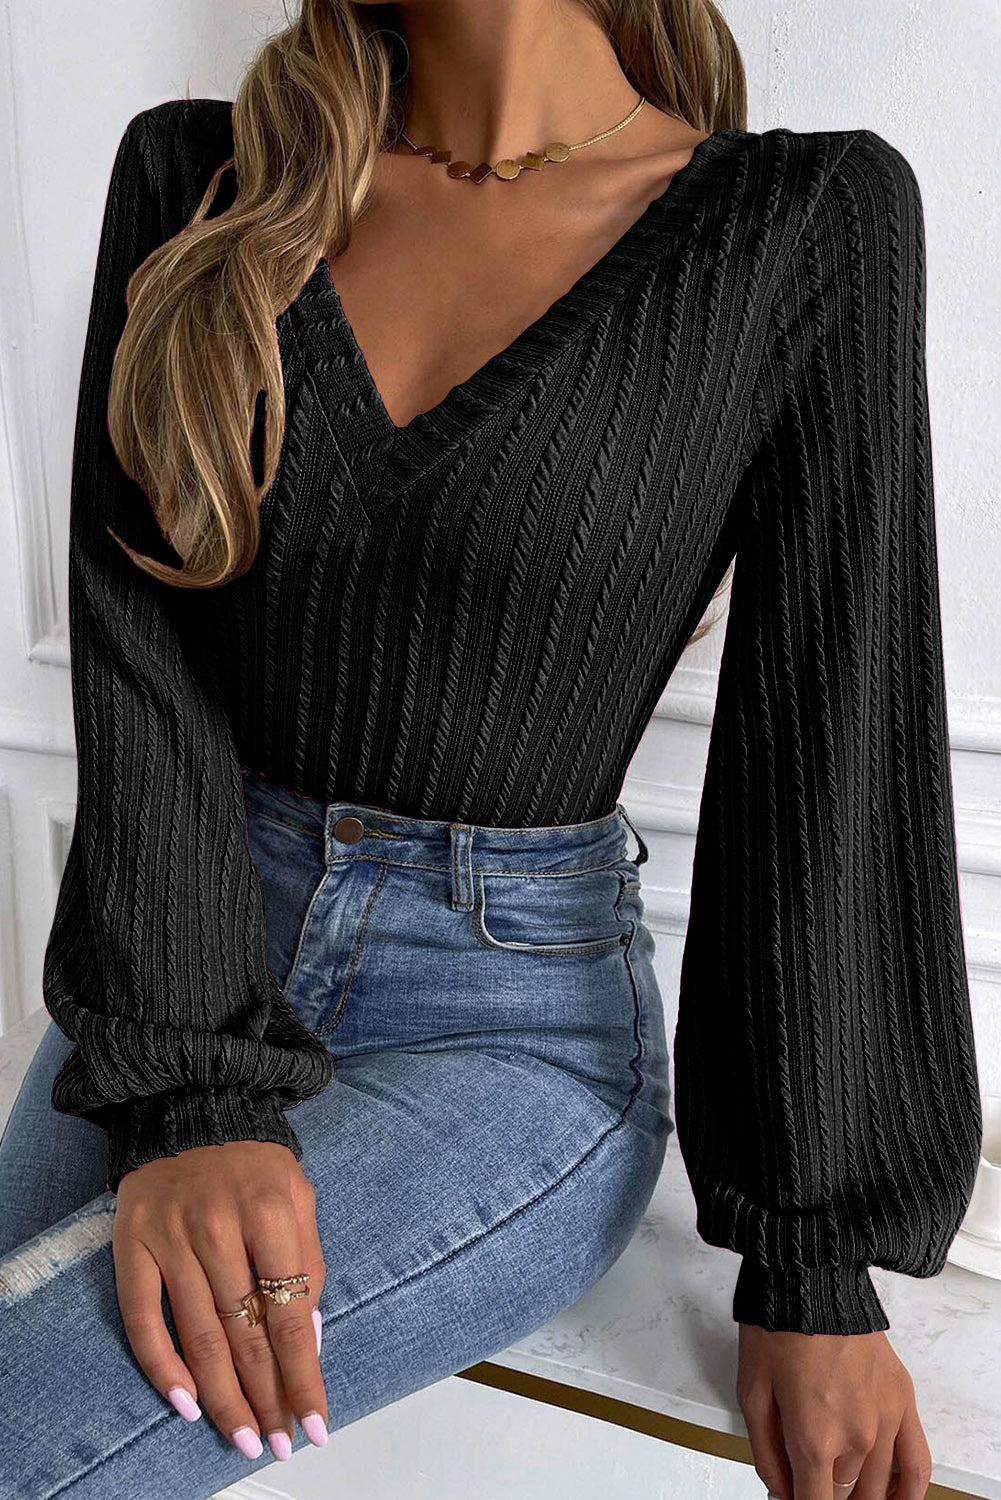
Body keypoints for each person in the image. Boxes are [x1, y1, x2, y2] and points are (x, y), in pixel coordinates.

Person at [0, 1, 982, 1497]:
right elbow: (141, 657)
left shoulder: (800, 221)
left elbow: (830, 732)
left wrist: (810, 1271)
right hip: (178, 969)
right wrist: (190, 1097)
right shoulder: (201, 180)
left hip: (509, 1032)